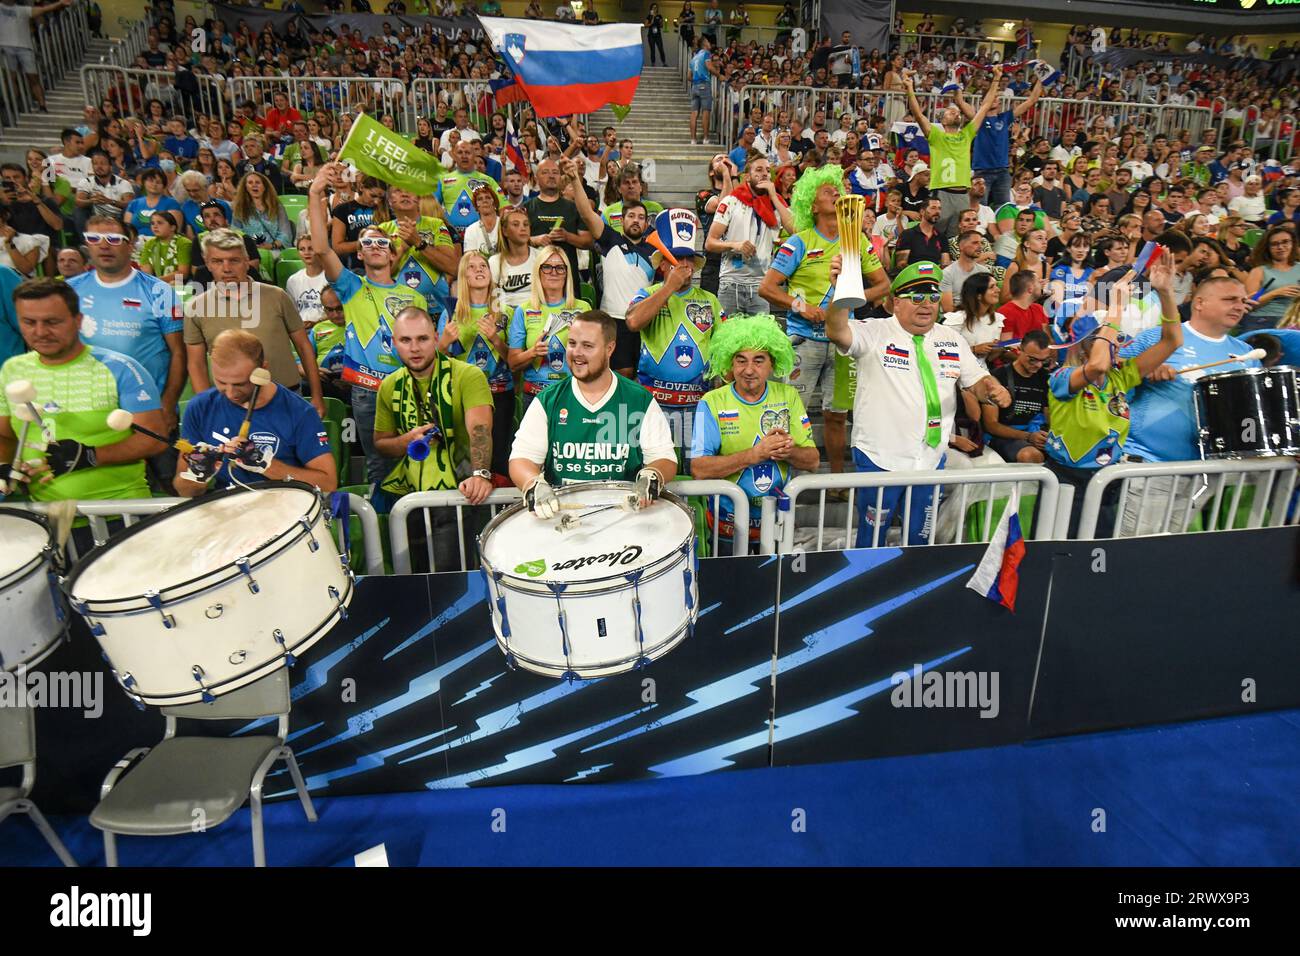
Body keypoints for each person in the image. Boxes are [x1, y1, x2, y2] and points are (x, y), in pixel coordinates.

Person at [824, 261, 1012, 546]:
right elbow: (837, 331)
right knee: (871, 538)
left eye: (934, 296)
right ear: (896, 303)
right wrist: (840, 293)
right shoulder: (874, 332)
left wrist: (994, 389)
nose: (926, 304)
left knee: (920, 540)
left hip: (929, 459)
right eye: (916, 297)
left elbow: (977, 382)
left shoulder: (952, 339)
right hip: (880, 458)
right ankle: (868, 586)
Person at [760, 166, 889, 484]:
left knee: (837, 416)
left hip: (845, 342)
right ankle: (787, 481)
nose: (835, 191)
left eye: (837, 188)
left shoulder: (856, 241)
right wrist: (802, 307)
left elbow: (883, 285)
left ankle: (835, 482)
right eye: (826, 189)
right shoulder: (799, 242)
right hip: (804, 341)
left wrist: (851, 300)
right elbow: (768, 288)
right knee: (792, 414)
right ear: (812, 205)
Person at [1045, 260, 1183, 538]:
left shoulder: (1122, 377)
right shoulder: (1062, 377)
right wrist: (1116, 306)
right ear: (1086, 346)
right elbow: (1096, 365)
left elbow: (1172, 342)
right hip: (1065, 482)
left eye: (1118, 339)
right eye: (1110, 340)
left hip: (1107, 482)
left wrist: (1166, 293)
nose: (1118, 344)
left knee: (1100, 557)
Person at [310, 162, 425, 488]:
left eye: (382, 243)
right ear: (359, 255)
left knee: (414, 464)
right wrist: (316, 192)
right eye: (367, 244)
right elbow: (321, 247)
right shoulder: (350, 286)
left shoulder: (412, 297)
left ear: (392, 254)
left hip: (408, 389)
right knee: (378, 468)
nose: (375, 247)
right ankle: (384, 535)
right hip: (369, 392)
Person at [1115, 275, 1260, 535]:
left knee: (1171, 555)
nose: (1240, 306)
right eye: (1229, 299)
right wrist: (1146, 369)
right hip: (1149, 465)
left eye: (1242, 300)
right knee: (1133, 553)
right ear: (1200, 303)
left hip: (1204, 473)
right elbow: (1109, 385)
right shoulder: (1157, 338)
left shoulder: (1247, 354)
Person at [0, 278, 167, 502]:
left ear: (78, 321)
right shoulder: (12, 370)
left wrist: (91, 456)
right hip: (47, 520)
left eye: (52, 322)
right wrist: (4, 466)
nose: (40, 332)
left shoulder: (120, 368)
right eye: (29, 322)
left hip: (119, 513)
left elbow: (155, 439)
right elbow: (6, 436)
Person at [508, 309, 677, 515]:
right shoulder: (548, 401)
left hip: (623, 520)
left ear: (609, 348)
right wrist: (533, 484)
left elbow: (665, 458)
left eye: (587, 346)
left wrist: (652, 474)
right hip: (563, 519)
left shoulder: (639, 400)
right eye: (572, 343)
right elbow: (521, 459)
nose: (576, 352)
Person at [373, 306, 495, 572]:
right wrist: (405, 441)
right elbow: (381, 443)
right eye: (406, 340)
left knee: (450, 583)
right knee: (415, 584)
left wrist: (481, 473)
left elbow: (480, 430)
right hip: (409, 501)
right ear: (394, 343)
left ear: (436, 337)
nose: (414, 348)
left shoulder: (468, 375)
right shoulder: (389, 385)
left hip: (456, 499)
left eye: (423, 339)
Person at [69, 215, 184, 483]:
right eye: (94, 239)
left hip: (150, 415)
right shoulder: (67, 292)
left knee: (170, 496)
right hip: (92, 416)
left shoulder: (160, 291)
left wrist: (168, 406)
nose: (104, 245)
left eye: (113, 239)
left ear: (130, 244)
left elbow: (180, 353)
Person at [690, 315, 820, 547]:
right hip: (727, 528)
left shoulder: (787, 395)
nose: (749, 370)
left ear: (773, 363)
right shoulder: (712, 402)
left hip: (777, 526)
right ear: (730, 363)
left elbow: (813, 461)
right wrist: (756, 454)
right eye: (741, 361)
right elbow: (699, 469)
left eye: (759, 360)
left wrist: (787, 451)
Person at [175, 329, 336, 496]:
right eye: (221, 382)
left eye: (240, 384)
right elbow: (182, 489)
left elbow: (328, 483)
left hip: (284, 510)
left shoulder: (299, 413)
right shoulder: (200, 407)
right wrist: (198, 475)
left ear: (263, 369)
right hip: (225, 512)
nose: (230, 393)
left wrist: (266, 464)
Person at [184, 227, 324, 413]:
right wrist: (209, 408)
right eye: (217, 261)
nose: (226, 268)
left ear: (245, 261)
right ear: (207, 264)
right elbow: (196, 364)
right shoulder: (195, 307)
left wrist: (317, 396)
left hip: (286, 398)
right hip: (230, 404)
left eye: (234, 260)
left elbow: (304, 347)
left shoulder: (277, 296)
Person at [625, 213, 725, 469]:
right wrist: (668, 288)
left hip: (697, 405)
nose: (684, 265)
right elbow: (633, 322)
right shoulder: (646, 294)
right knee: (656, 468)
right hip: (654, 405)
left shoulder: (710, 300)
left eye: (688, 259)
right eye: (676, 259)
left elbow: (723, 348)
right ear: (662, 265)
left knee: (694, 471)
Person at [563, 157, 656, 376]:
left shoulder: (655, 250)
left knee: (642, 375)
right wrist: (575, 179)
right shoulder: (610, 240)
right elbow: (586, 213)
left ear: (646, 223)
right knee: (620, 375)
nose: (636, 220)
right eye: (631, 216)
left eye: (641, 217)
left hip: (644, 321)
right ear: (621, 220)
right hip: (614, 320)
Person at [904, 63, 1004, 240]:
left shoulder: (966, 134)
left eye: (957, 112)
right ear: (942, 121)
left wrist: (996, 78)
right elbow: (918, 114)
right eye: (951, 112)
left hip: (962, 196)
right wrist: (910, 88)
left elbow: (986, 105)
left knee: (955, 240)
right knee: (932, 235)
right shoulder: (935, 135)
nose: (956, 114)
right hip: (941, 193)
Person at [436, 252, 513, 478]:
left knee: (498, 458)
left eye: (484, 266)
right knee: (466, 459)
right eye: (472, 267)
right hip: (463, 397)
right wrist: (443, 344)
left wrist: (495, 339)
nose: (479, 270)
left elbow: (514, 361)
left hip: (500, 392)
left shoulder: (505, 312)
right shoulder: (451, 313)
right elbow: (437, 362)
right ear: (463, 276)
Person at [705, 155, 795, 317]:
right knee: (728, 340)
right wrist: (735, 245)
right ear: (747, 177)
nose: (765, 174)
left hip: (761, 286)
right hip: (731, 283)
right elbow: (710, 243)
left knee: (760, 341)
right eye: (759, 170)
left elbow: (795, 231)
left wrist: (774, 196)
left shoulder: (776, 204)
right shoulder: (730, 201)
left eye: (768, 171)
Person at [507, 246, 591, 411]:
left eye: (560, 267)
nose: (554, 272)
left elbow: (596, 357)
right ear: (538, 272)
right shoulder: (523, 310)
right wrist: (533, 352)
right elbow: (513, 363)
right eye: (547, 267)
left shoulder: (583, 308)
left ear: (567, 273)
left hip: (573, 394)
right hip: (535, 397)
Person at [964, 76, 1043, 209]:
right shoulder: (978, 119)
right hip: (982, 171)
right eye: (992, 97)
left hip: (1003, 171)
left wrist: (1041, 78)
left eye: (997, 98)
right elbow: (961, 104)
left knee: (1004, 207)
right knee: (978, 206)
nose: (996, 100)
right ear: (984, 101)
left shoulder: (1005, 117)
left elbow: (1032, 100)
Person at [983, 328, 1053, 464]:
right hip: (1003, 435)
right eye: (1032, 360)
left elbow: (1050, 417)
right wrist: (1028, 436)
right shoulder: (997, 376)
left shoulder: (1046, 378)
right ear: (1019, 350)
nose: (1038, 365)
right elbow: (991, 425)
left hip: (1037, 433)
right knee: (1030, 455)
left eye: (1044, 361)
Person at [0, 0, 73, 114]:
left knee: (33, 78)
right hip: (6, 47)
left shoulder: (22, 10)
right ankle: (13, 105)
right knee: (10, 79)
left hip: (25, 47)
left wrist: (60, 3)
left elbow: (44, 9)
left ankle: (42, 106)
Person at [525, 158, 588, 282]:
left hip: (568, 279)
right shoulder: (526, 208)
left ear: (560, 177)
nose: (551, 176)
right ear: (536, 178)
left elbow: (589, 242)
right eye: (545, 172)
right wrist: (535, 240)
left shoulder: (574, 207)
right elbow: (514, 242)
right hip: (536, 279)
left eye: (555, 172)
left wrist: (567, 236)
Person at [1243, 226, 1300, 334]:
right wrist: (1275, 293)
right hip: (1264, 319)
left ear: (1293, 244)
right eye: (1274, 244)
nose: (1280, 247)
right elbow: (1249, 304)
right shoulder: (1258, 271)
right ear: (1267, 248)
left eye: (1285, 242)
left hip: (1294, 320)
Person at [284, 231, 329, 326]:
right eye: (302, 249)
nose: (306, 252)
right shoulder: (293, 280)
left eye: (311, 248)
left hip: (326, 327)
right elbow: (292, 312)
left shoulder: (330, 277)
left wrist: (317, 323)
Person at [137, 209, 192, 285]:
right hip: (156, 283)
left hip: (182, 284)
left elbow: (183, 273)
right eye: (152, 223)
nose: (155, 226)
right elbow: (146, 271)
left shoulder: (183, 243)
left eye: (160, 223)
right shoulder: (149, 244)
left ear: (172, 227)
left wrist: (157, 281)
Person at [689, 35, 718, 145]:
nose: (710, 43)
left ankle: (693, 139)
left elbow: (688, 76)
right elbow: (709, 67)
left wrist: (696, 79)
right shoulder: (706, 53)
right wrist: (719, 75)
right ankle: (705, 138)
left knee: (694, 114)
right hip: (704, 85)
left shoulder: (694, 57)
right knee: (706, 112)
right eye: (708, 41)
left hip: (695, 86)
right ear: (705, 43)